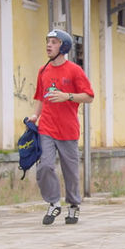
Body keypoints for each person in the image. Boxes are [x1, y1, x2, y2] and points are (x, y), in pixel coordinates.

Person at [27, 29, 94, 225]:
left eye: (54, 42)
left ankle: (73, 205)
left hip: (68, 130)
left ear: (63, 47)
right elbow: (40, 97)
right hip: (46, 128)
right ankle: (54, 202)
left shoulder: (75, 71)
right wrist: (35, 115)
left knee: (70, 172)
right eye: (48, 41)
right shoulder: (43, 70)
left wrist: (68, 96)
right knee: (45, 166)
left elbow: (89, 96)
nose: (49, 45)